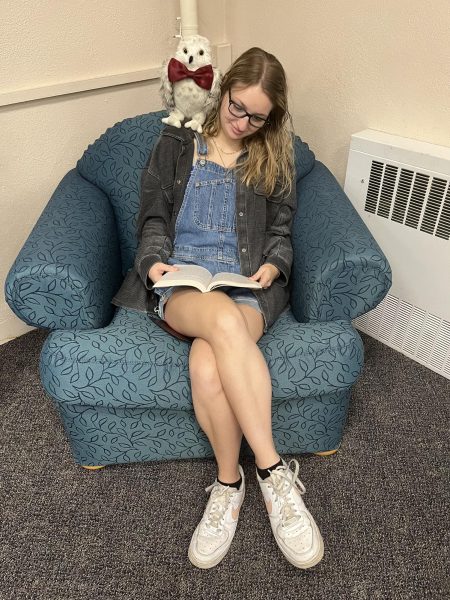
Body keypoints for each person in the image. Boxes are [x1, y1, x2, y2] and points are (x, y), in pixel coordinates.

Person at [113, 47, 324, 569]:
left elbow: (281, 228)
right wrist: (154, 263)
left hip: (246, 280)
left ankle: (229, 485)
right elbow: (152, 215)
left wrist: (273, 267)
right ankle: (275, 475)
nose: (243, 122)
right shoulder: (175, 143)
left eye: (258, 116)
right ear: (224, 87)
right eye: (237, 107)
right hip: (183, 280)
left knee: (207, 364)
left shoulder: (274, 155)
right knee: (223, 322)